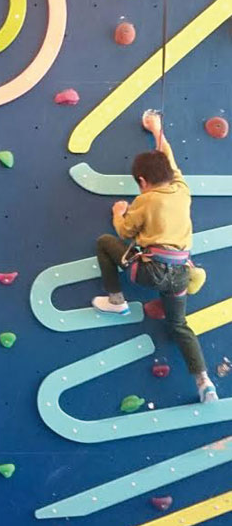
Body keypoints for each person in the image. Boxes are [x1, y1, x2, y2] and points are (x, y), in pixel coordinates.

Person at [92, 111, 218, 403]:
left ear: (142, 181)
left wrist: (119, 212)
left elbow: (125, 231)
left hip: (149, 272)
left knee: (105, 243)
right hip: (180, 274)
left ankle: (117, 301)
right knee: (179, 325)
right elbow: (168, 158)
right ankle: (204, 382)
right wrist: (157, 130)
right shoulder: (182, 189)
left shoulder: (145, 200)